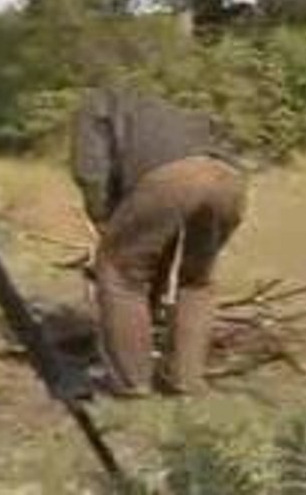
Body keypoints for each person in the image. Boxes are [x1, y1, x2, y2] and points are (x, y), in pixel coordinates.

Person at [71, 86, 247, 397]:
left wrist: (101, 216)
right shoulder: (176, 103)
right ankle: (186, 380)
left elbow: (90, 167)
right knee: (197, 280)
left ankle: (131, 382)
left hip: (172, 179)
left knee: (119, 272)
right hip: (228, 179)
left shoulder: (98, 101)